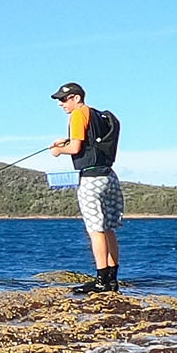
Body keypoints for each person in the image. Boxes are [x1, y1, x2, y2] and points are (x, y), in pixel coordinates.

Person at [48, 82, 122, 294]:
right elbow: (90, 141)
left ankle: (100, 280)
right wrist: (67, 141)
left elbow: (77, 147)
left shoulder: (78, 114)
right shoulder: (98, 115)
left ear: (76, 98)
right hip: (109, 176)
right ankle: (111, 279)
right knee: (108, 227)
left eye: (64, 99)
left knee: (95, 229)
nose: (61, 104)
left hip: (91, 179)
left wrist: (57, 150)